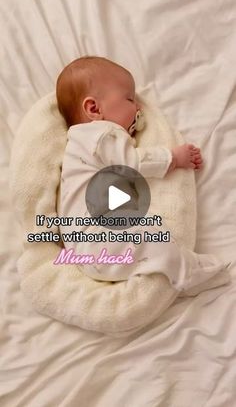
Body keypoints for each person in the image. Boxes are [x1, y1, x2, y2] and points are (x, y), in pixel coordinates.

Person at [56, 56, 228, 291]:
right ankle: (187, 272)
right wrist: (174, 158)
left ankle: (166, 273)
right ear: (94, 109)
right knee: (149, 233)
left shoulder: (77, 144)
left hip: (84, 249)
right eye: (129, 99)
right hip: (96, 237)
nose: (138, 107)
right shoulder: (103, 134)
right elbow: (133, 163)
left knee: (145, 231)